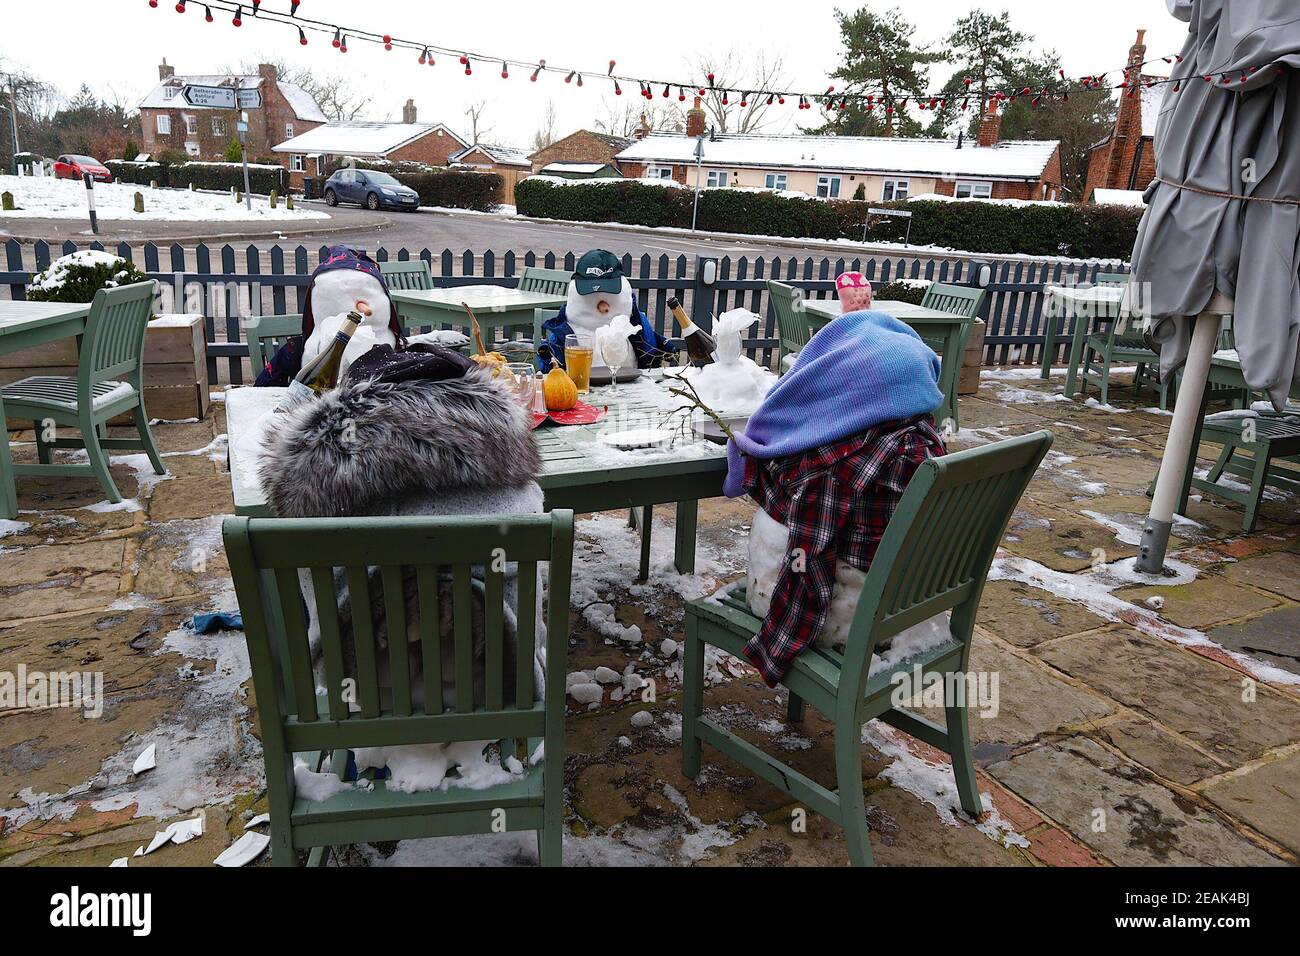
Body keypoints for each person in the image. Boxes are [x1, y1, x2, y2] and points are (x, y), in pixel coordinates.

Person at [725, 309, 947, 686]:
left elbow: (808, 561)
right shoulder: (925, 440)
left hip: (846, 618)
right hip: (908, 609)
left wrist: (777, 645)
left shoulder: (837, 465)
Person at [538, 249, 675, 369]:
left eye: (609, 297)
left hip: (630, 388)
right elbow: (549, 362)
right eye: (593, 298)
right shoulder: (567, 331)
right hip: (580, 390)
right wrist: (548, 357)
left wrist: (665, 349)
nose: (603, 307)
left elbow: (652, 344)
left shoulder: (635, 322)